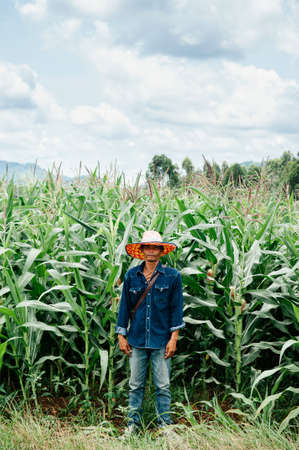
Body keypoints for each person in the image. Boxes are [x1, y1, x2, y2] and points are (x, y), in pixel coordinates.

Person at [115, 230, 184, 435]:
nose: (151, 251)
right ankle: (132, 425)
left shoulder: (172, 277)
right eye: (147, 247)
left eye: (155, 247)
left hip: (161, 340)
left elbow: (176, 309)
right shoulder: (131, 275)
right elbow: (124, 307)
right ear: (142, 250)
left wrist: (174, 339)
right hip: (136, 340)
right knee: (135, 386)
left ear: (161, 251)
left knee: (162, 386)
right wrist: (121, 335)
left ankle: (165, 426)